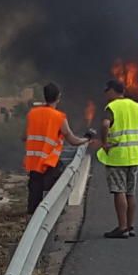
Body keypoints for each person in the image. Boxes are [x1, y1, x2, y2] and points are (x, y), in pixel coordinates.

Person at [24, 82, 92, 215]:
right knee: (56, 190)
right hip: (50, 163)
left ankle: (33, 222)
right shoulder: (59, 117)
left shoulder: (32, 114)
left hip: (33, 163)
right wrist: (86, 139)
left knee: (34, 196)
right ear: (58, 97)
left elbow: (24, 136)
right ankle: (52, 215)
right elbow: (72, 140)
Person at [97, 79, 138, 239]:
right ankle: (130, 225)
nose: (106, 94)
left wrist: (104, 143)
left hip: (117, 156)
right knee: (130, 192)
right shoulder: (136, 106)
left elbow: (105, 125)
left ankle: (122, 228)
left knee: (119, 190)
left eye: (107, 91)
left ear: (113, 91)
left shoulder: (112, 107)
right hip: (134, 156)